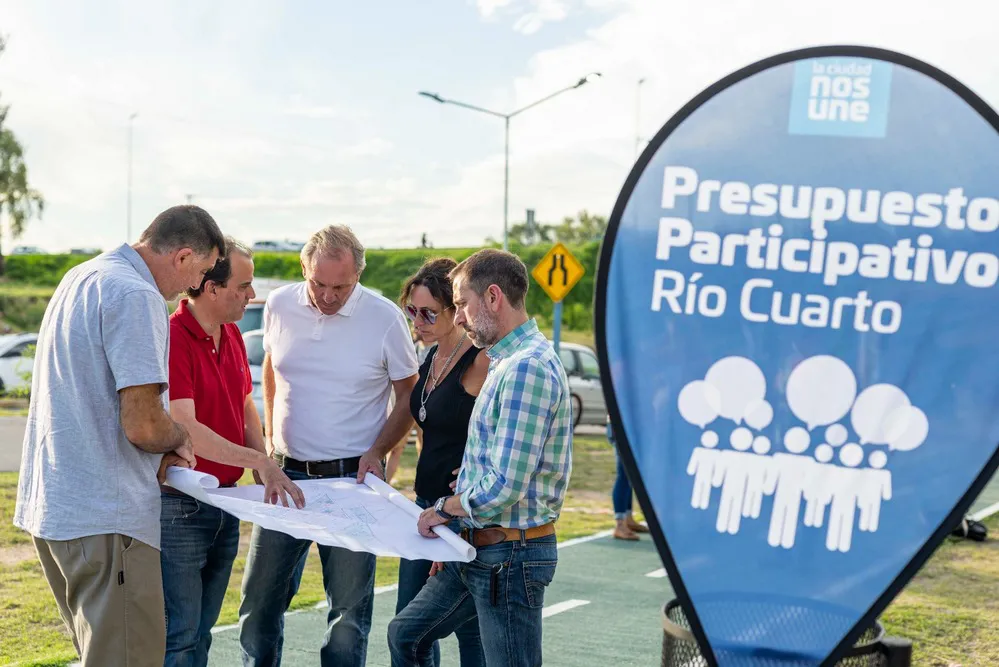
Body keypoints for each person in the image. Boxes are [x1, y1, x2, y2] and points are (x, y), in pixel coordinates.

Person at [13, 205, 225, 667]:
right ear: (183, 256)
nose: (194, 287)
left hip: (57, 509)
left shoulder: (81, 276)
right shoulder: (136, 294)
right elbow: (143, 424)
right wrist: (178, 436)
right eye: (201, 272)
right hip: (106, 517)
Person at [238, 224, 419, 667]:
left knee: (348, 616)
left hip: (352, 481)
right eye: (319, 283)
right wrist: (270, 439)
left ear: (359, 275)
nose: (329, 296)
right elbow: (272, 369)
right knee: (258, 603)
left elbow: (410, 396)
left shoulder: (384, 318)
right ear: (304, 269)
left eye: (342, 286)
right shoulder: (279, 304)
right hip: (285, 477)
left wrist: (378, 452)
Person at [388, 248, 573, 667]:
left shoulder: (526, 367)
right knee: (406, 635)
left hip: (510, 555)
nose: (458, 318)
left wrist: (444, 510)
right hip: (479, 545)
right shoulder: (507, 361)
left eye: (461, 304)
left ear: (493, 297)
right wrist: (458, 523)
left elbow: (504, 486)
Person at [159, 237, 305, 667]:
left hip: (224, 503)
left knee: (202, 630)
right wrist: (258, 461)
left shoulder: (233, 334)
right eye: (243, 286)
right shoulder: (172, 337)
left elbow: (244, 408)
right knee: (180, 635)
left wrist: (264, 465)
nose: (251, 294)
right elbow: (184, 426)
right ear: (211, 287)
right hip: (181, 506)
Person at [393, 257, 490, 667]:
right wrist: (380, 454)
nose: (418, 321)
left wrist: (471, 476)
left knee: (471, 634)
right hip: (424, 509)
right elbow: (424, 423)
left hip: (461, 516)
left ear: (455, 310)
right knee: (409, 627)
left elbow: (497, 430)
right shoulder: (431, 357)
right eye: (412, 311)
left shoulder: (480, 361)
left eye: (429, 313)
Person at [607, 419, 649, 540]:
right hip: (622, 425)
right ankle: (620, 525)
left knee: (629, 475)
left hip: (628, 425)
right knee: (624, 473)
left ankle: (628, 519)